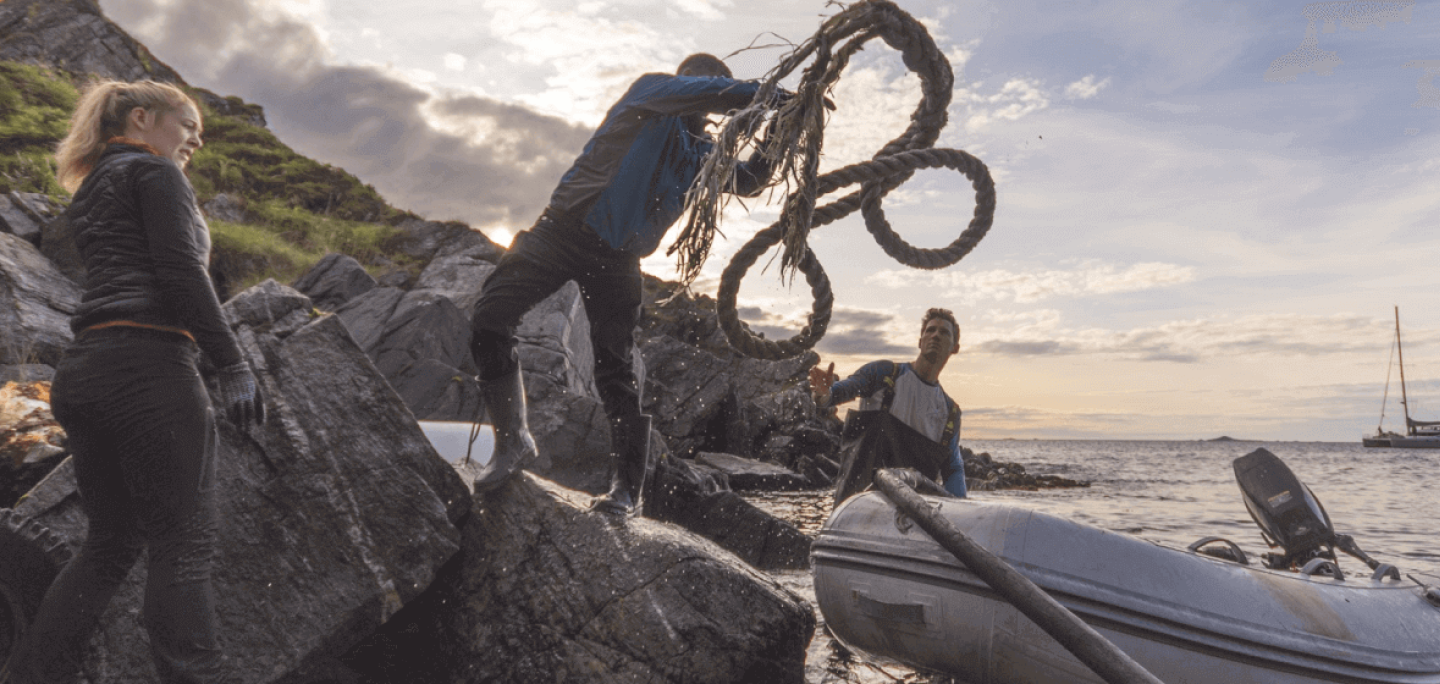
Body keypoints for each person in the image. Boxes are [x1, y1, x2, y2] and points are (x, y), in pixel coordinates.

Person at [1, 80, 264, 684]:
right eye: (187, 124)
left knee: (111, 545)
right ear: (141, 119)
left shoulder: (93, 188)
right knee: (185, 544)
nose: (197, 137)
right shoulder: (155, 174)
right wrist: (233, 363)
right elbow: (179, 272)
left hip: (86, 371)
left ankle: (26, 676)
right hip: (148, 368)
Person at [467, 53, 779, 517]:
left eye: (710, 88)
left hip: (618, 261)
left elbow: (752, 179)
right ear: (685, 83)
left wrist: (780, 124)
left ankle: (627, 490)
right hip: (562, 230)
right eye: (697, 83)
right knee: (489, 321)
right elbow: (696, 92)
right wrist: (767, 96)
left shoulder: (701, 156)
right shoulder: (649, 94)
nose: (700, 92)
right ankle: (513, 441)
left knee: (615, 370)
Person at [810, 308, 966, 504]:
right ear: (920, 341)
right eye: (930, 330)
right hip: (859, 505)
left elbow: (953, 469)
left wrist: (962, 508)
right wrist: (825, 394)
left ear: (955, 348)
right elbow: (844, 390)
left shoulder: (950, 412)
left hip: (912, 519)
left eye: (944, 332)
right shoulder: (884, 373)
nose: (935, 335)